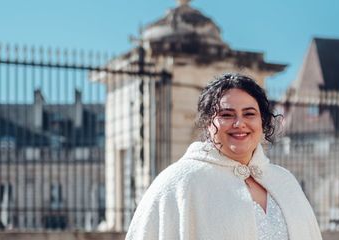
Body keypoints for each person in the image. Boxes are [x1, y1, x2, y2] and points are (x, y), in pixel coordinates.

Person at [126, 72, 322, 240]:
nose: (239, 123)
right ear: (207, 123)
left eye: (249, 114)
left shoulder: (285, 181)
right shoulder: (179, 183)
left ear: (263, 121)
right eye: (226, 115)